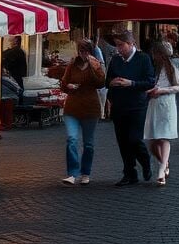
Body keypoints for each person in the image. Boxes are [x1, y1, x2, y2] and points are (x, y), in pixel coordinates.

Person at [105, 30, 155, 187]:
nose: (118, 49)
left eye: (121, 45)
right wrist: (111, 83)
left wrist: (131, 83)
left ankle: (145, 162)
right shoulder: (115, 60)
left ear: (131, 43)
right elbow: (107, 80)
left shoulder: (143, 59)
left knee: (134, 139)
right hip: (119, 105)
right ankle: (129, 173)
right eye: (117, 45)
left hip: (137, 106)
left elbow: (150, 82)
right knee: (122, 141)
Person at [59, 40, 106, 186]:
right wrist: (68, 86)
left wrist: (94, 67)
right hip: (72, 108)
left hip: (90, 108)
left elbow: (101, 83)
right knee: (71, 139)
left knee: (88, 144)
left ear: (90, 52)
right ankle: (72, 173)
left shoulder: (95, 64)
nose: (83, 54)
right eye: (81, 51)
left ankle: (86, 173)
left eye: (86, 51)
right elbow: (63, 84)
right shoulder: (72, 65)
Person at [143, 41, 179, 185]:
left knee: (164, 137)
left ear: (160, 54)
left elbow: (178, 87)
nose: (153, 56)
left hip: (167, 104)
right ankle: (164, 163)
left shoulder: (172, 68)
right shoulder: (154, 68)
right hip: (154, 104)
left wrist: (162, 90)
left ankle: (161, 170)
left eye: (155, 53)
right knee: (153, 142)